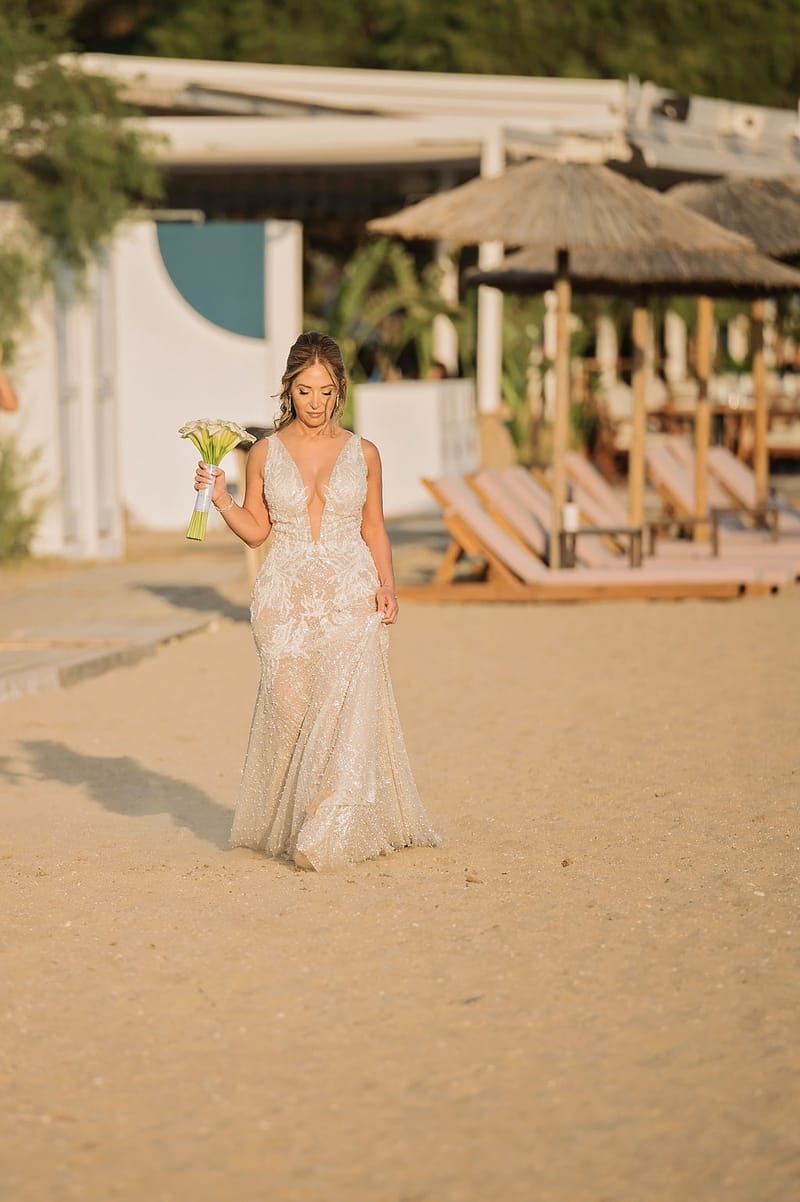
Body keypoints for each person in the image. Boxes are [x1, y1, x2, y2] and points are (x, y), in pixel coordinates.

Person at [194, 332, 440, 871]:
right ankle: (297, 821)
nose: (314, 402)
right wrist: (219, 501)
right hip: (283, 597)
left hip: (351, 592)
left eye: (324, 391)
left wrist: (387, 585)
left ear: (339, 391)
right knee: (289, 712)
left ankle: (327, 830)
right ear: (289, 390)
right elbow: (257, 532)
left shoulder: (364, 453)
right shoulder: (262, 452)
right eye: (304, 391)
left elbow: (374, 526)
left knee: (342, 712)